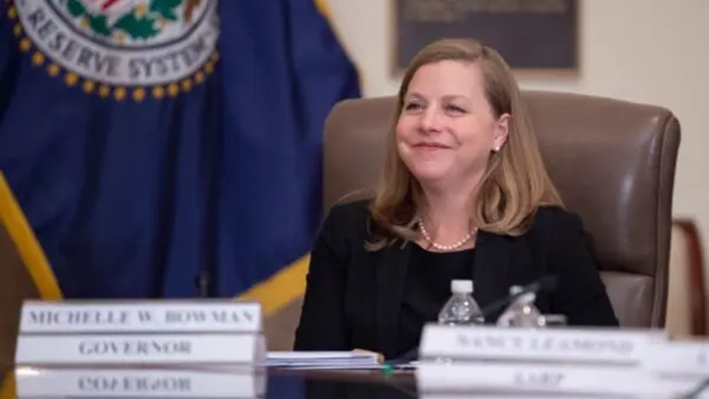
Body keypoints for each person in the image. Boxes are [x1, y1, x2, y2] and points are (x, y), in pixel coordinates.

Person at [293, 38, 619, 360]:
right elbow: (311, 375)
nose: (428, 123)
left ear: (499, 132)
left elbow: (607, 373)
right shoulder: (351, 230)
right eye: (415, 106)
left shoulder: (550, 238)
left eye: (454, 108)